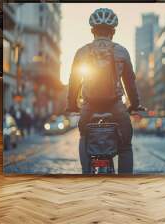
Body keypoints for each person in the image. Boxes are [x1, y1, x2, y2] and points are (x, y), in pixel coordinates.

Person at [66, 8, 145, 174]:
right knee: (125, 146)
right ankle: (125, 184)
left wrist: (72, 105)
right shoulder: (121, 51)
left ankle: (86, 174)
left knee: (84, 136)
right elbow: (130, 83)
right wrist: (135, 104)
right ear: (113, 32)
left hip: (89, 106)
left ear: (92, 32)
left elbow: (74, 81)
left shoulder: (82, 52)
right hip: (115, 106)